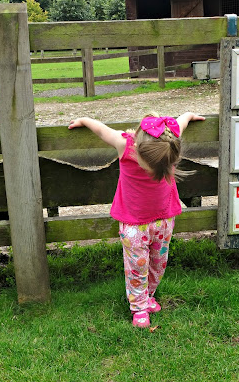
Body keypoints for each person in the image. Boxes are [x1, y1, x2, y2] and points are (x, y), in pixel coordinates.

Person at [68, 112, 205, 328]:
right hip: (133, 225)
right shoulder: (125, 144)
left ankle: (148, 295)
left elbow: (181, 123)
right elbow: (102, 131)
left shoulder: (168, 140)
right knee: (137, 267)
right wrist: (85, 121)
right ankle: (139, 307)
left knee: (158, 264)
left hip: (164, 219)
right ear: (138, 151)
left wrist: (189, 115)